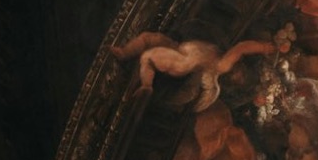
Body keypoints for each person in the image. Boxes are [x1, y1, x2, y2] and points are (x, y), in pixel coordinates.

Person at [111, 30, 275, 110]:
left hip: (182, 62)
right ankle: (124, 53)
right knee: (149, 38)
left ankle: (146, 85)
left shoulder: (223, 65)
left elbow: (241, 47)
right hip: (178, 48)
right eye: (242, 72)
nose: (239, 72)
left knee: (148, 57)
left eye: (240, 77)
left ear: (235, 81)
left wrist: (263, 47)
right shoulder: (221, 56)